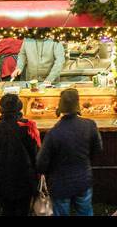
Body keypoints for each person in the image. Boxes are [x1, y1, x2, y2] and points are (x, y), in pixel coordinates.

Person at [36, 87, 103, 216]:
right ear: (77, 105)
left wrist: (49, 173)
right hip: (83, 180)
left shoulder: (54, 133)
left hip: (60, 185)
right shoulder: (90, 125)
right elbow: (98, 149)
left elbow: (40, 164)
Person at [0, 92, 40, 216]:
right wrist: (37, 178)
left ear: (1, 110)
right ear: (19, 109)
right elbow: (35, 155)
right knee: (23, 210)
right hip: (25, 179)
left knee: (7, 210)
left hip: (2, 179)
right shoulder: (28, 127)